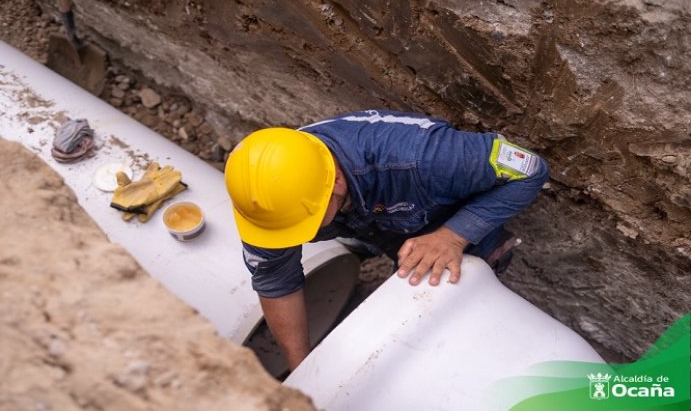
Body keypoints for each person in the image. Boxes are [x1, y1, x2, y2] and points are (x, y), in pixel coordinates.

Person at [224, 109, 549, 370]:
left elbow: (530, 168)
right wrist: (303, 373)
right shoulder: (271, 197)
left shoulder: (422, 158)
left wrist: (453, 236)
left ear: (335, 181)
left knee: (449, 313)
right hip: (376, 218)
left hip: (433, 211)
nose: (289, 237)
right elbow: (276, 281)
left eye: (301, 225)